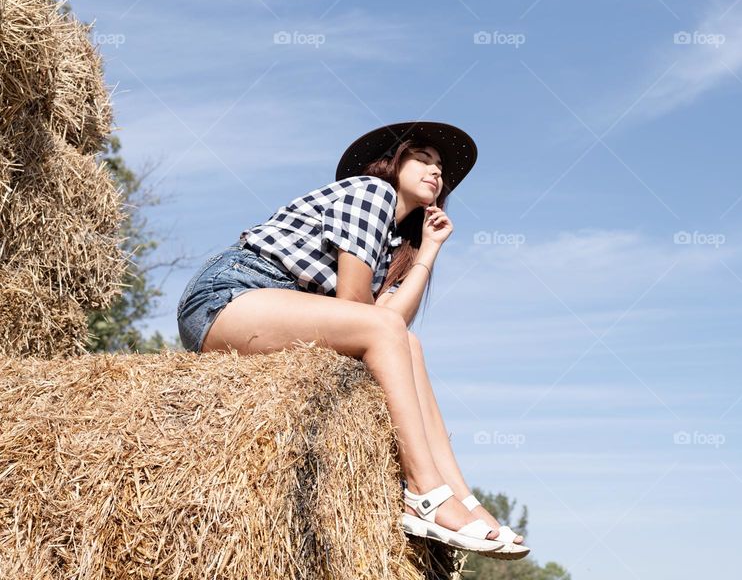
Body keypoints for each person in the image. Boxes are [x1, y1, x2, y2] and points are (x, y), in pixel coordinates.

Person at [176, 121, 529, 558]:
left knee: (410, 345)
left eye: (441, 168)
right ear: (392, 163)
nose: (436, 172)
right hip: (229, 296)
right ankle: (424, 492)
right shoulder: (370, 193)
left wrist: (430, 250)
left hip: (272, 309)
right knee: (388, 333)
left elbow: (391, 325)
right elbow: (359, 309)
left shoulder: (395, 241)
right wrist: (382, 319)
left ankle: (462, 496)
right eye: (423, 158)